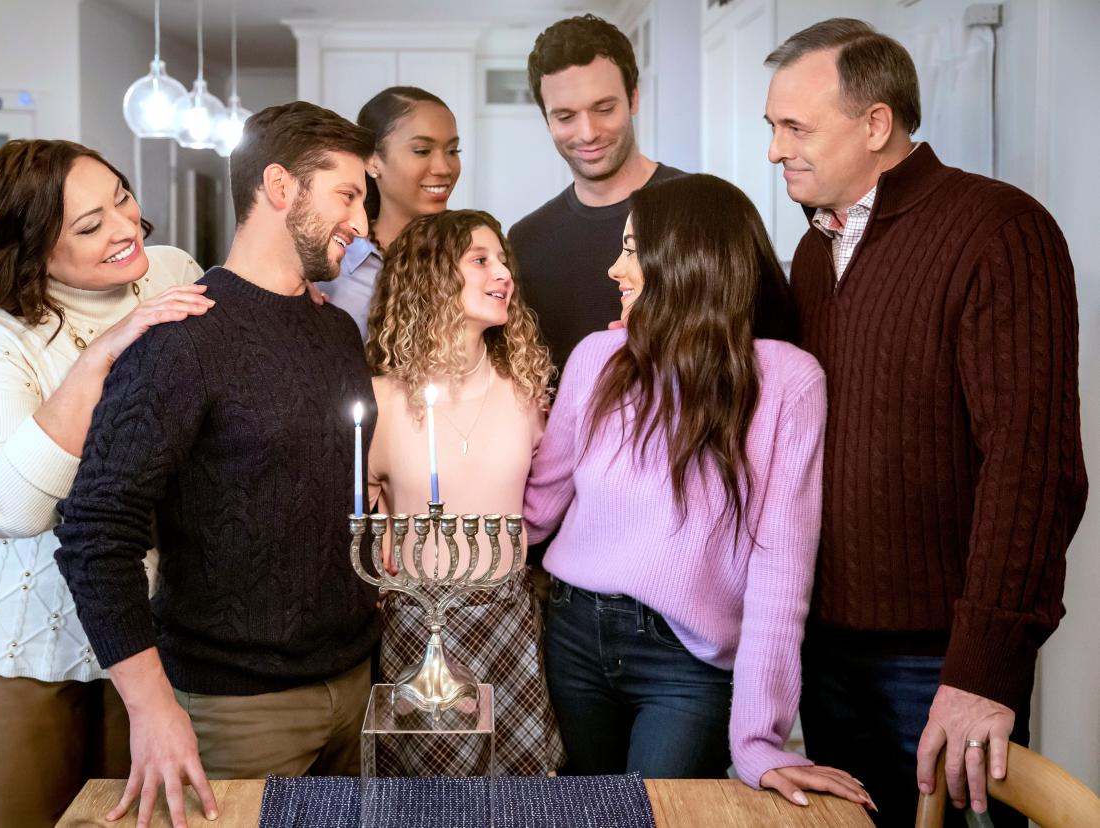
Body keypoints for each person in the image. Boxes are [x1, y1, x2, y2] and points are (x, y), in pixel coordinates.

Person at [762, 19, 1087, 827]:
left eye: (794, 127)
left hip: (942, 659)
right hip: (825, 648)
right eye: (772, 128)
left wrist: (984, 668)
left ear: (876, 124)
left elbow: (1033, 466)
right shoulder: (812, 252)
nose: (775, 150)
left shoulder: (998, 231)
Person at [54, 102, 380, 828]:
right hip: (236, 708)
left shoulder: (336, 331)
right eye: (348, 195)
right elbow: (95, 536)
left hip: (356, 683)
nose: (362, 223)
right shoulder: (183, 337)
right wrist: (152, 708)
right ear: (280, 186)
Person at [523, 174, 873, 813]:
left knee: (658, 819)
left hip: (688, 663)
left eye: (631, 249)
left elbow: (780, 573)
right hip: (573, 638)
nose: (614, 267)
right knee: (587, 815)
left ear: (683, 261)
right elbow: (534, 509)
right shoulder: (598, 357)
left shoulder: (788, 382)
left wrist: (759, 740)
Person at [0, 138, 210, 827]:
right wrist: (103, 355)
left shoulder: (172, 270)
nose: (124, 227)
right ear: (33, 251)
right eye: (89, 226)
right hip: (19, 631)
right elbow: (7, 508)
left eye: (122, 198)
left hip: (142, 621)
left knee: (136, 813)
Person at [365, 209, 563, 775]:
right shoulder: (379, 401)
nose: (502, 272)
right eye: (480, 260)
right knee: (427, 802)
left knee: (519, 801)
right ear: (429, 278)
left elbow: (550, 501)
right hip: (417, 624)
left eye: (502, 260)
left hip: (508, 618)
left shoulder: (528, 393)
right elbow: (361, 505)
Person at [509, 14, 686, 372]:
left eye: (603, 108)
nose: (587, 133)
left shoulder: (698, 208)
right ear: (546, 119)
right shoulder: (526, 240)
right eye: (565, 117)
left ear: (633, 98)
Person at [318, 86, 461, 338]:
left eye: (452, 151)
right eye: (422, 151)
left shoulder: (470, 257)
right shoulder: (331, 262)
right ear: (373, 160)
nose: (443, 167)